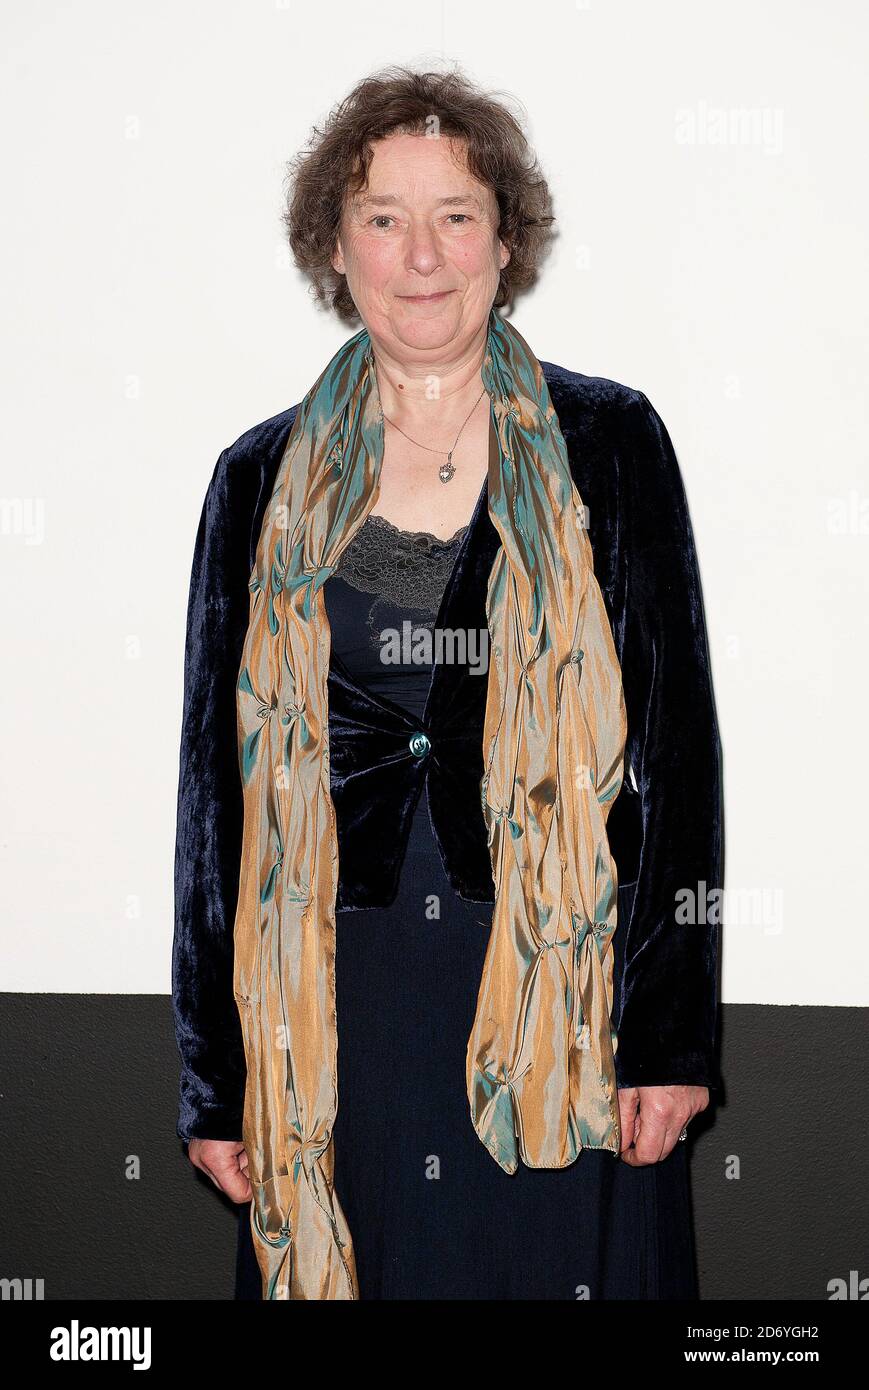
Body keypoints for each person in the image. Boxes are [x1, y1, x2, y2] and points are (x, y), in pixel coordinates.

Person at [172, 64, 723, 1301]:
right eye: (381, 217)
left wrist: (672, 1037)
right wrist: (219, 1082)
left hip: (561, 997)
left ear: (503, 238)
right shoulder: (258, 480)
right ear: (335, 245)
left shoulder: (607, 441)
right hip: (339, 1007)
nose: (420, 254)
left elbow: (676, 761)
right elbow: (213, 804)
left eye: (455, 215)